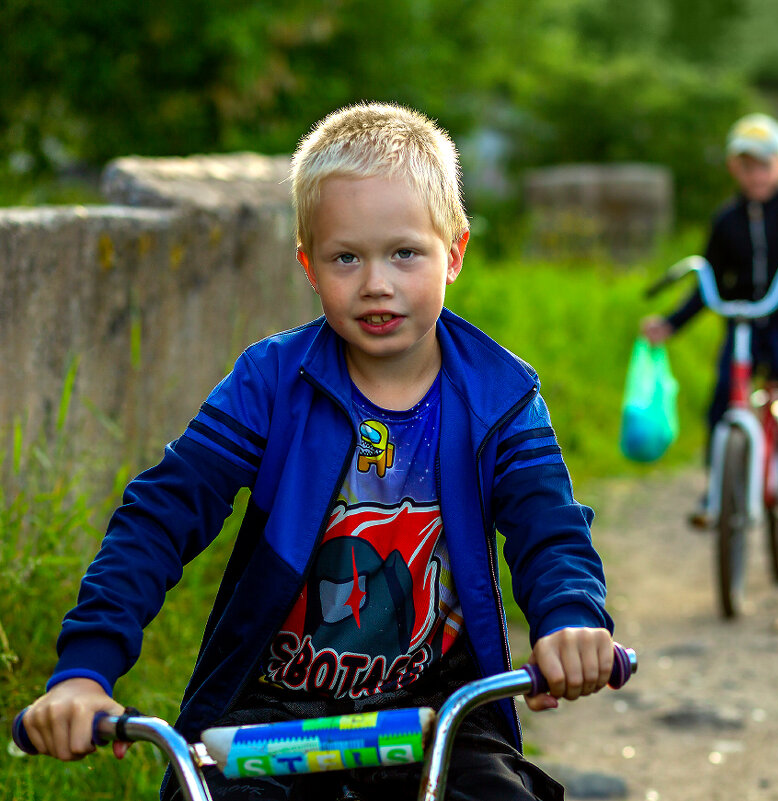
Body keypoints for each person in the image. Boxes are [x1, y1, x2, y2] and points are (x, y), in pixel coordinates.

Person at [20, 101, 615, 801]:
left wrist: (572, 615)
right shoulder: (270, 382)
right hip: (270, 712)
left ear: (453, 251)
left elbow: (550, 525)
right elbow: (161, 515)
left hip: (435, 715)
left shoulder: (501, 396)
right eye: (345, 257)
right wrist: (86, 670)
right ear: (308, 263)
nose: (376, 283)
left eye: (404, 252)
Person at [641, 113, 778, 523]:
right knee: (723, 395)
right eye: (747, 166)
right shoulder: (726, 220)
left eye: (764, 164)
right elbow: (707, 280)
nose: (756, 174)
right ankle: (716, 492)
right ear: (734, 169)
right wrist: (671, 323)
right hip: (743, 321)